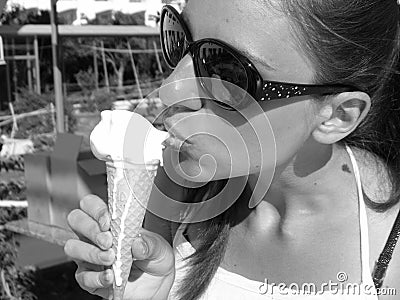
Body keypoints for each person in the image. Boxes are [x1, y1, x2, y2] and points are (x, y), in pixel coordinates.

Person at [64, 0, 400, 299]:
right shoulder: (170, 191)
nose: (169, 91)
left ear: (337, 115)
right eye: (179, 37)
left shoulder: (389, 255)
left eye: (227, 72)